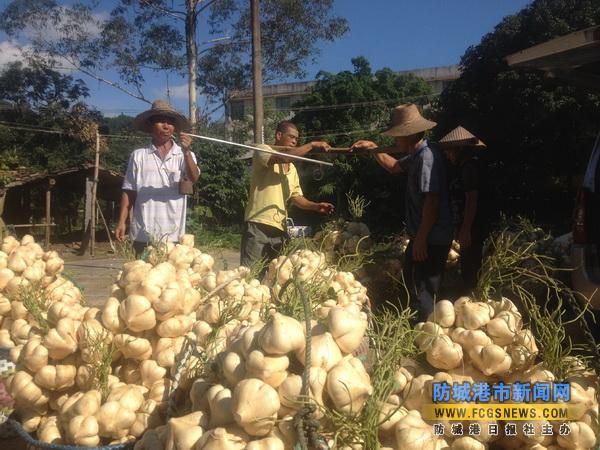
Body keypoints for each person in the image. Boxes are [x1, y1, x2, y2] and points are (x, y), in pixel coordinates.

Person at [351, 104, 453, 321]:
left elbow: (432, 200)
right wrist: (373, 147)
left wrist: (421, 239)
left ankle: (426, 336)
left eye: (398, 135)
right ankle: (423, 331)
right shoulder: (416, 155)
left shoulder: (426, 157)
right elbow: (394, 166)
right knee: (414, 282)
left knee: (422, 290)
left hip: (431, 237)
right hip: (425, 235)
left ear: (409, 134)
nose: (395, 140)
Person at [241, 121, 335, 268]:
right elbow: (285, 157)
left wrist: (315, 206)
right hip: (258, 223)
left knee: (274, 276)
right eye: (291, 137)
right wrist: (311, 145)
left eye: (296, 139)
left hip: (280, 228)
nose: (294, 141)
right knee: (249, 274)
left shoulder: (291, 169)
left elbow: (297, 198)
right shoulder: (263, 150)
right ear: (279, 135)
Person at [115, 100, 200, 256]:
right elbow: (129, 191)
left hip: (174, 235)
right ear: (150, 125)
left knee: (171, 279)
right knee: (141, 278)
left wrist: (187, 151)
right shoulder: (138, 156)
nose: (166, 126)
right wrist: (122, 221)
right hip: (143, 234)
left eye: (170, 122)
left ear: (174, 127)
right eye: (161, 121)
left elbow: (194, 178)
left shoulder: (184, 155)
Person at [439, 126, 488, 294]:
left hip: (473, 228)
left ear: (459, 149)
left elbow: (471, 200)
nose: (447, 154)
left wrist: (466, 229)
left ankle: (473, 297)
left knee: (471, 266)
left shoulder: (469, 168)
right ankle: (472, 293)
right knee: (469, 264)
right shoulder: (465, 167)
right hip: (468, 227)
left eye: (449, 151)